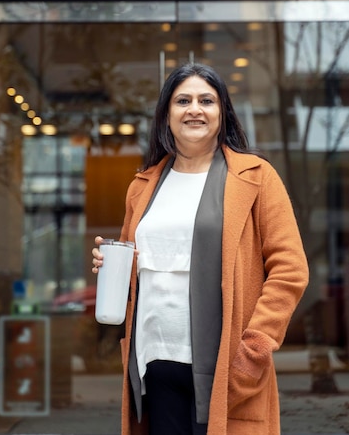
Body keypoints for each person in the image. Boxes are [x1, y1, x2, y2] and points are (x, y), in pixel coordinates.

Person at [92, 63, 309, 435]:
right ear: (167, 114)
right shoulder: (143, 186)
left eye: (206, 100)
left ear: (222, 113)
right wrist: (110, 265)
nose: (195, 109)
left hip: (227, 369)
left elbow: (290, 270)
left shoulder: (255, 178)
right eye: (183, 101)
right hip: (155, 362)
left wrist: (253, 351)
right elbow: (141, 267)